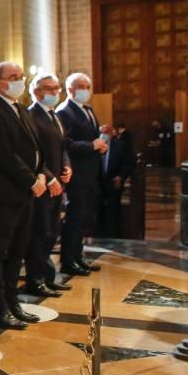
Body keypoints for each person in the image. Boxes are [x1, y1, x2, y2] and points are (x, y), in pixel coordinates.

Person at [0, 62, 45, 330]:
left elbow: (34, 148)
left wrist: (41, 175)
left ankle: (11, 302)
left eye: (21, 77)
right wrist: (31, 180)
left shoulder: (21, 109)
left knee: (18, 250)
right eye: (13, 77)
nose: (20, 81)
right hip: (6, 193)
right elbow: (2, 154)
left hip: (25, 191)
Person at [25, 73, 73, 297]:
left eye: (57, 88)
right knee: (39, 232)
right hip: (43, 183)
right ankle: (35, 280)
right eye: (49, 89)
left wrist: (66, 166)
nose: (55, 92)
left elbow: (63, 147)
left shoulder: (55, 116)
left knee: (52, 231)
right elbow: (32, 153)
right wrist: (50, 177)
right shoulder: (31, 116)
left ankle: (48, 277)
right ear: (36, 92)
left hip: (57, 182)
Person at [56, 72, 106, 276]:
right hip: (77, 172)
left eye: (88, 86)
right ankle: (68, 260)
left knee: (84, 218)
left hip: (91, 172)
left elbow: (93, 136)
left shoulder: (88, 109)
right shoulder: (64, 112)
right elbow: (65, 143)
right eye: (82, 86)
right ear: (70, 89)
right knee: (74, 218)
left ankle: (78, 256)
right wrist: (90, 145)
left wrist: (100, 146)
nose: (86, 90)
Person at [100, 123, 135, 236]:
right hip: (97, 184)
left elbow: (128, 164)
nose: (103, 135)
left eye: (106, 133)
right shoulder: (94, 146)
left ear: (112, 134)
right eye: (101, 133)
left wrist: (121, 177)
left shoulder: (120, 146)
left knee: (113, 212)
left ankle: (112, 234)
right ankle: (98, 235)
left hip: (113, 182)